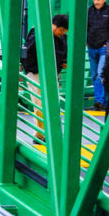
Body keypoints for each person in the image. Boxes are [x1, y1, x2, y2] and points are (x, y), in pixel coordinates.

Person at [21, 14, 69, 142]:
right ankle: (40, 134)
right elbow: (28, 52)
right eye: (61, 30)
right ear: (54, 26)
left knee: (48, 103)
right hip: (37, 73)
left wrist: (63, 61)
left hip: (50, 73)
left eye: (64, 31)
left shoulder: (57, 36)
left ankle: (44, 133)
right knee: (40, 103)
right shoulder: (38, 33)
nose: (62, 33)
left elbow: (63, 53)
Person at [86, 0, 109, 111]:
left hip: (104, 48)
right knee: (94, 75)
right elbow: (84, 27)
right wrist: (87, 41)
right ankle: (101, 100)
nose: (96, 2)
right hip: (92, 47)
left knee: (100, 74)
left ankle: (99, 100)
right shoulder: (89, 11)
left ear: (104, 0)